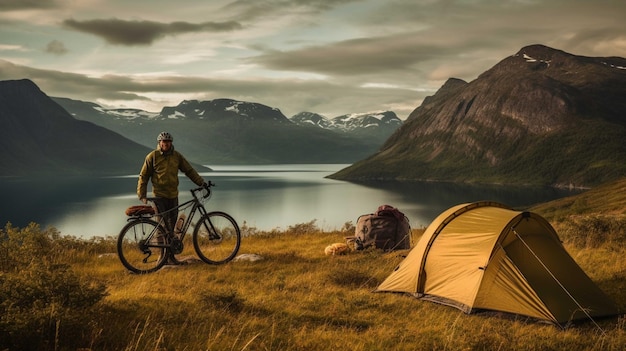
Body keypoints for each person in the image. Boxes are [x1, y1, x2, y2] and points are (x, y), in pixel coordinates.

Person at [137, 131, 206, 241]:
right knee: (161, 226)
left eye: (169, 141)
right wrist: (142, 194)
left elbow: (189, 170)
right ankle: (161, 256)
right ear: (159, 142)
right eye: (164, 141)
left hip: (173, 196)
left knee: (172, 226)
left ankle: (171, 256)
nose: (167, 144)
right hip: (159, 196)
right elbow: (143, 176)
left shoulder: (177, 156)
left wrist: (201, 182)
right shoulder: (152, 156)